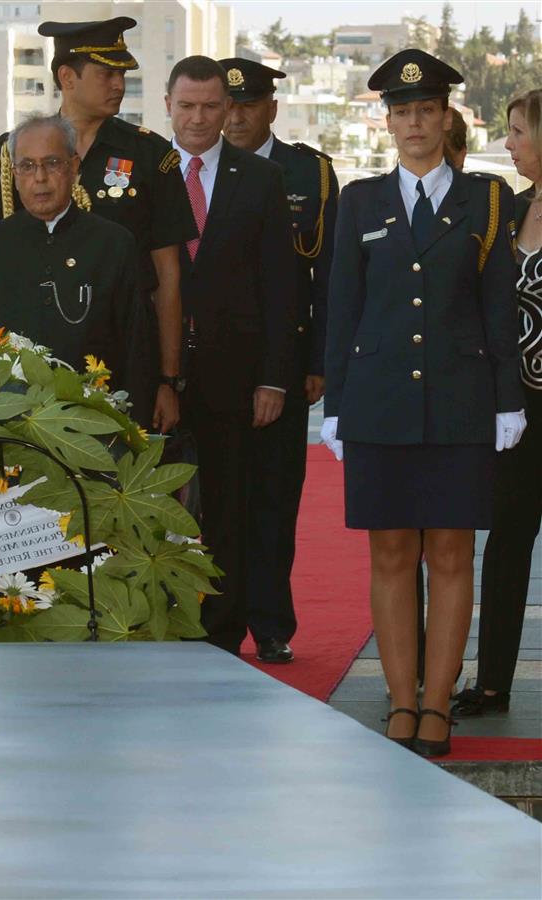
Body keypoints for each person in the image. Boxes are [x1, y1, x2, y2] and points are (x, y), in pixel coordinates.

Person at [321, 51, 524, 756]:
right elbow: (341, 310)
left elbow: (498, 308)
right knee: (391, 553)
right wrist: (336, 405)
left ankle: (438, 703)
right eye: (401, 112)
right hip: (379, 403)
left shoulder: (486, 200)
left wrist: (507, 401)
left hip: (462, 403)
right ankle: (401, 701)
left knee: (452, 555)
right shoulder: (359, 201)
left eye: (426, 110)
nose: (414, 123)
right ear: (388, 122)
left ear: (446, 118)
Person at [0, 17, 195, 434]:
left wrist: (168, 379)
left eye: (123, 74)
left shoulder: (150, 155)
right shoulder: (12, 153)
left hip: (123, 357)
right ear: (67, 77)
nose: (119, 84)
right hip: (31, 360)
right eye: (107, 73)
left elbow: (168, 275)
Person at [166, 55, 298, 656]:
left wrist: (274, 378)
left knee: (228, 509)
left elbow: (281, 286)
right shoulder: (142, 171)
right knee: (153, 501)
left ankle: (222, 632)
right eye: (186, 105)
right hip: (159, 375)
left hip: (235, 375)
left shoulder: (260, 179)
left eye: (210, 106)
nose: (198, 118)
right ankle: (159, 618)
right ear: (168, 106)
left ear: (228, 110)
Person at [220, 57, 341, 665]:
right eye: (227, 105)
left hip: (285, 359)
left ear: (271, 107)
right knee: (214, 499)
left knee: (273, 497)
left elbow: (327, 279)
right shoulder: (190, 170)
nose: (235, 117)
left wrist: (318, 360)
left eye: (248, 105)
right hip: (214, 359)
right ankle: (215, 616)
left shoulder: (308, 172)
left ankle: (270, 623)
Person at [453, 88, 542, 719]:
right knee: (507, 542)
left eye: (516, 131)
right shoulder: (509, 209)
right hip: (518, 410)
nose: (507, 143)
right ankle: (492, 683)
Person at [0, 114, 139, 379]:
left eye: (52, 164)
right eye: (27, 166)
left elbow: (135, 348)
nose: (39, 177)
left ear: (74, 167)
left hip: (96, 411)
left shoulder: (114, 244)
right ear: (14, 175)